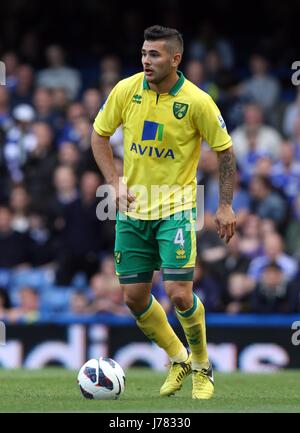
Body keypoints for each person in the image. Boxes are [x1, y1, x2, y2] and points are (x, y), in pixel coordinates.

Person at [91, 25, 236, 400]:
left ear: (176, 59)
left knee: (179, 293)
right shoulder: (126, 90)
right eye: (143, 53)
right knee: (134, 298)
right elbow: (99, 134)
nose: (146, 61)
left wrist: (224, 205)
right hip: (133, 210)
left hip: (177, 208)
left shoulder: (198, 101)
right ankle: (178, 358)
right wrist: (114, 180)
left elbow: (225, 150)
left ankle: (203, 365)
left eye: (154, 55)